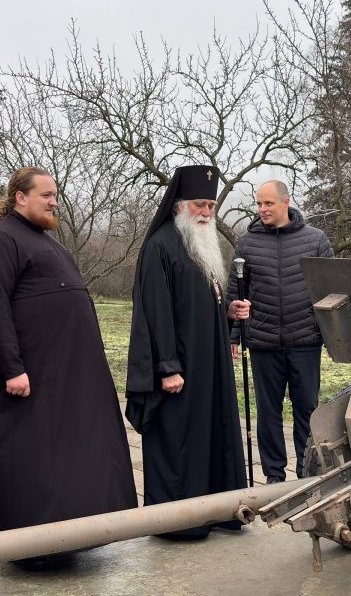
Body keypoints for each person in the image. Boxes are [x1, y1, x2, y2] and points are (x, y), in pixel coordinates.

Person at [0, 167, 136, 565]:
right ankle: (32, 550)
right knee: (33, 464)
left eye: (55, 194)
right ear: (19, 197)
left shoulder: (45, 242)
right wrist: (13, 368)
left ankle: (70, 539)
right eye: (46, 194)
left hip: (62, 380)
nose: (53, 201)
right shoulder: (0, 240)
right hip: (27, 379)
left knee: (64, 462)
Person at [125, 165, 250, 539]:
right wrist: (167, 368)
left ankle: (217, 510)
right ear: (179, 205)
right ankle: (179, 523)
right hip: (178, 369)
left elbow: (198, 304)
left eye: (211, 205)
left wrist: (226, 312)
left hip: (208, 366)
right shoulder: (160, 246)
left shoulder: (201, 245)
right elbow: (155, 312)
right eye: (200, 204)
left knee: (212, 433)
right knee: (180, 442)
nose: (206, 213)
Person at [225, 181, 333, 483]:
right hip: (263, 341)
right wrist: (234, 334)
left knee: (307, 411)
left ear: (286, 202)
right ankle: (273, 477)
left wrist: (331, 335)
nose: (262, 210)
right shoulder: (247, 243)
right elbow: (236, 291)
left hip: (305, 341)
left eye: (268, 204)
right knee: (268, 413)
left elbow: (330, 288)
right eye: (259, 204)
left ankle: (306, 473)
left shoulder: (316, 240)